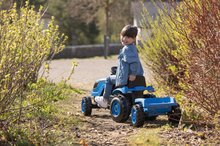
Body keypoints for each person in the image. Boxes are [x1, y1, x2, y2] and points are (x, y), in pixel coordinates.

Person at [95, 25, 144, 108]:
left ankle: (105, 99)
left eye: (128, 37)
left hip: (125, 78)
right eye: (123, 36)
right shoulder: (132, 48)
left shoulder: (126, 49)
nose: (125, 39)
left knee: (108, 79)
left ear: (134, 38)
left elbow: (133, 63)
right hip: (135, 76)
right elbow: (127, 63)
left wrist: (132, 74)